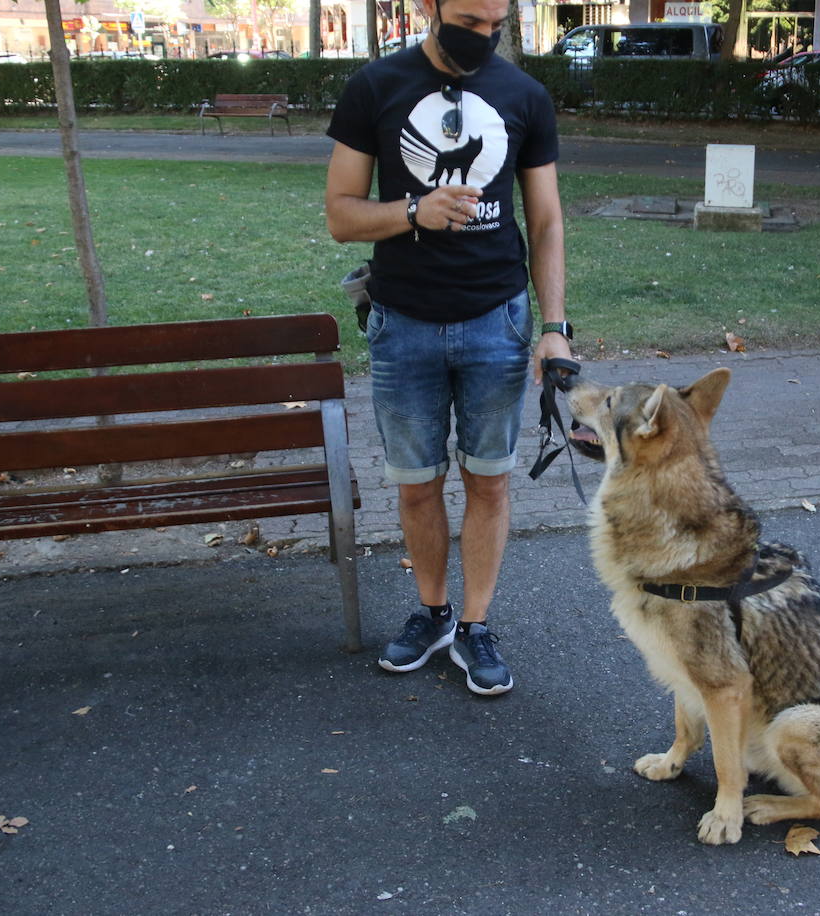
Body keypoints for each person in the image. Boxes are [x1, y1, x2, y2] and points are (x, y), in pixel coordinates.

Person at [325, 0, 571, 696]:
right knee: (416, 484)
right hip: (402, 323)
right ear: (430, 6)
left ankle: (475, 624)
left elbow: (547, 220)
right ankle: (431, 612)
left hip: (497, 321)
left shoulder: (524, 95)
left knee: (489, 479)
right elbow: (342, 215)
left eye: (496, 25)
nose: (483, 37)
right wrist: (412, 211)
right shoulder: (375, 86)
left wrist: (554, 326)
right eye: (469, 18)